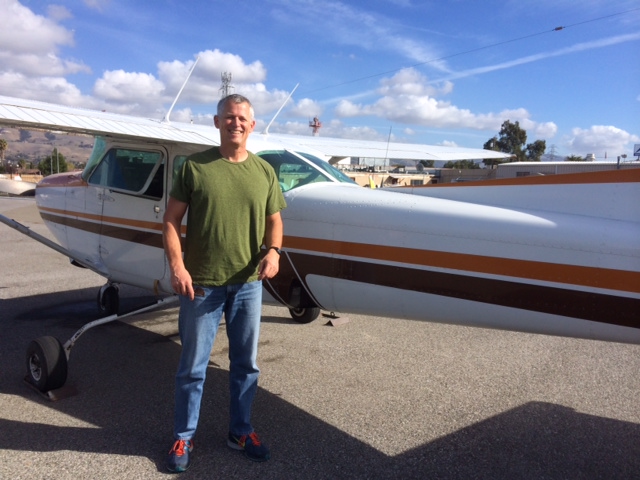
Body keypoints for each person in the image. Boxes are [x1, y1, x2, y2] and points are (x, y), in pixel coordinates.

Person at [162, 94, 286, 473]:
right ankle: (184, 436)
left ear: (253, 125)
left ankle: (241, 431)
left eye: (242, 118)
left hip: (248, 283)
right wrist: (178, 266)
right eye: (229, 117)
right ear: (217, 122)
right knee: (192, 366)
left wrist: (275, 251)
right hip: (201, 284)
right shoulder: (194, 168)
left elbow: (275, 220)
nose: (236, 123)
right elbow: (170, 221)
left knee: (245, 365)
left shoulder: (264, 171)